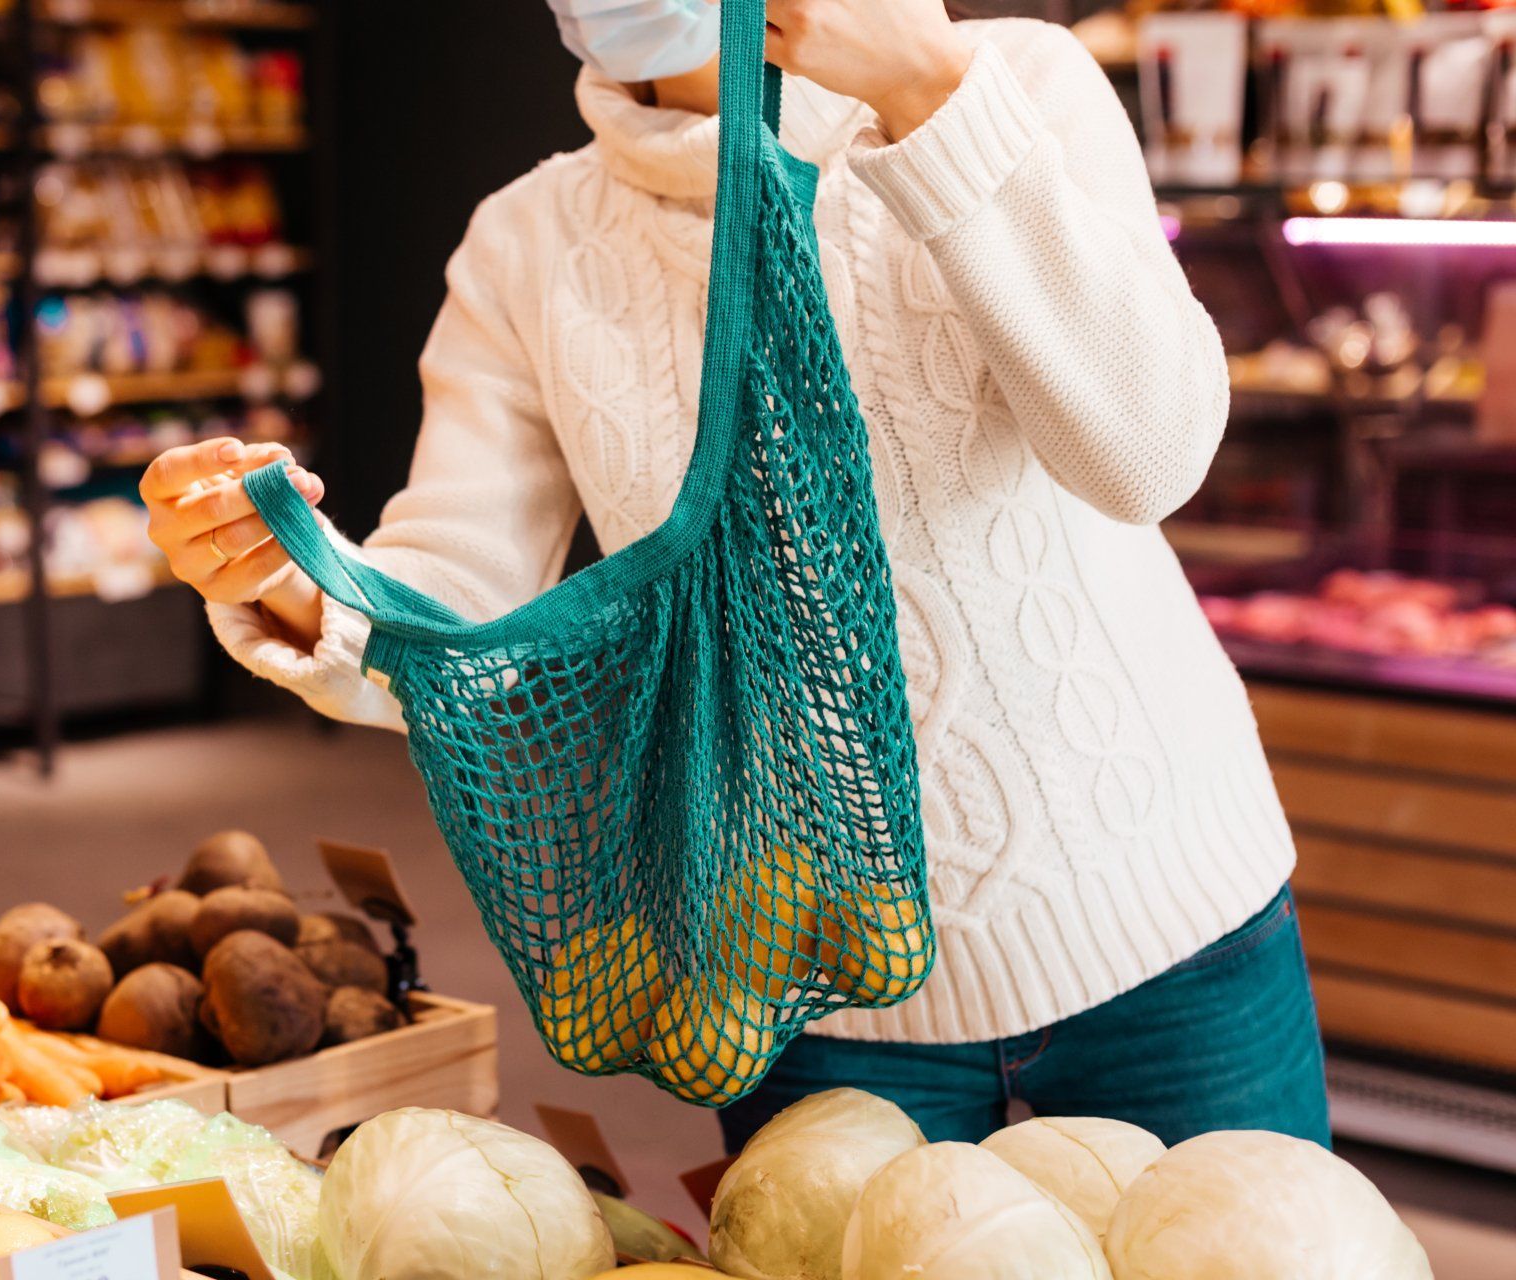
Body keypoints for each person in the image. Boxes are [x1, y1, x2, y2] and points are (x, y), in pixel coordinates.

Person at [141, 0, 1330, 1151]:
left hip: (1165, 929)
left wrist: (928, 96)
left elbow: (1150, 454)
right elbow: (457, 612)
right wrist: (293, 579)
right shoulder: (528, 244)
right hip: (818, 985)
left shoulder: (1017, 80)